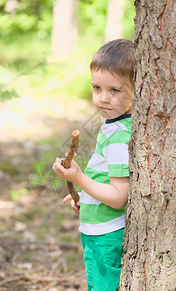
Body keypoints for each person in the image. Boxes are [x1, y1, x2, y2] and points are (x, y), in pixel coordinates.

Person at [53, 39, 135, 291]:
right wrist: (85, 195)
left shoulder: (120, 135)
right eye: (97, 88)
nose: (103, 99)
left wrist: (79, 179)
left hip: (106, 235)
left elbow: (120, 197)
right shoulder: (114, 126)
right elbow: (106, 182)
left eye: (114, 90)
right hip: (99, 231)